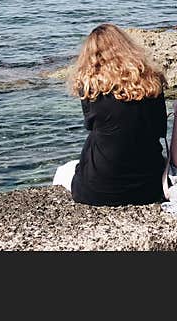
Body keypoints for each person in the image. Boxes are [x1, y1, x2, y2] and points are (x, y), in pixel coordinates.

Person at [52, 23, 167, 206]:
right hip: (149, 186)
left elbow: (90, 126)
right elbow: (160, 128)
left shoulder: (90, 88)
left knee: (62, 171)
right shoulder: (153, 81)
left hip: (98, 189)